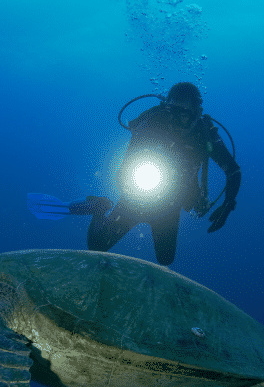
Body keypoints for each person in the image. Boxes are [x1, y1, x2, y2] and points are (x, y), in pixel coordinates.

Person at [74, 82, 242, 266]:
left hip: (171, 203)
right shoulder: (153, 122)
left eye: (187, 114)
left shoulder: (205, 134)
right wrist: (127, 182)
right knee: (96, 246)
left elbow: (233, 171)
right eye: (175, 112)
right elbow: (128, 162)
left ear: (198, 112)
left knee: (165, 258)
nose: (181, 120)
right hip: (137, 196)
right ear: (167, 108)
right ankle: (99, 207)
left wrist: (229, 203)